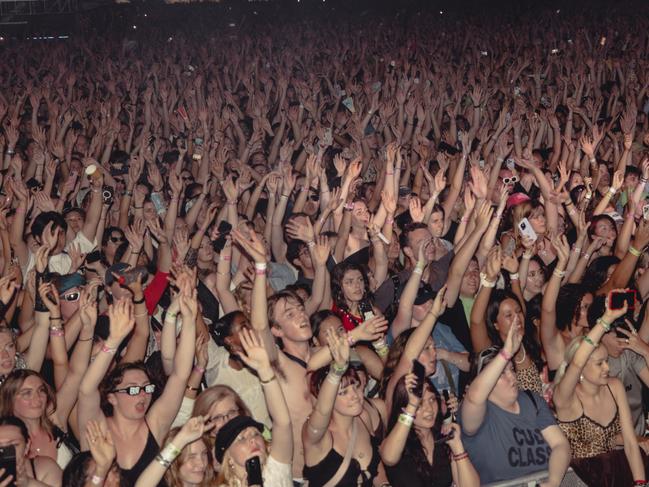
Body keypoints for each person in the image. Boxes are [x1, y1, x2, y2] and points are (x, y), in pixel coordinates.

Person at [77, 269, 196, 486]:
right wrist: (112, 342)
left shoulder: (155, 423)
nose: (142, 395)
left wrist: (188, 318)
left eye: (146, 388)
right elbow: (86, 390)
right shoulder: (98, 429)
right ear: (111, 397)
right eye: (132, 390)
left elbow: (180, 375)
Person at [458, 317, 571, 485]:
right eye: (501, 373)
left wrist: (553, 482)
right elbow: (474, 397)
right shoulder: (477, 415)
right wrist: (506, 353)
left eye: (511, 369)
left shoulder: (532, 400)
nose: (512, 376)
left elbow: (561, 446)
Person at [553, 292, 649, 486]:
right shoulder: (565, 397)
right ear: (580, 368)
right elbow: (578, 360)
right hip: (580, 479)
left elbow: (630, 444)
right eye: (599, 363)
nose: (607, 367)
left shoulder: (614, 386)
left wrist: (640, 483)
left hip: (616, 472)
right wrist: (606, 319)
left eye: (606, 362)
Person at [302, 329, 380, 487]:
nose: (355, 395)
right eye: (343, 392)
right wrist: (336, 370)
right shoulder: (317, 435)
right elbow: (322, 411)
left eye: (356, 386)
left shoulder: (363, 417)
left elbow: (377, 468)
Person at [380, 372, 479, 487]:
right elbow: (389, 458)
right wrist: (412, 405)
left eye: (432, 400)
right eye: (420, 404)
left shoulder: (442, 437)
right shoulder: (396, 444)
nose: (429, 409)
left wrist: (457, 447)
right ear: (403, 409)